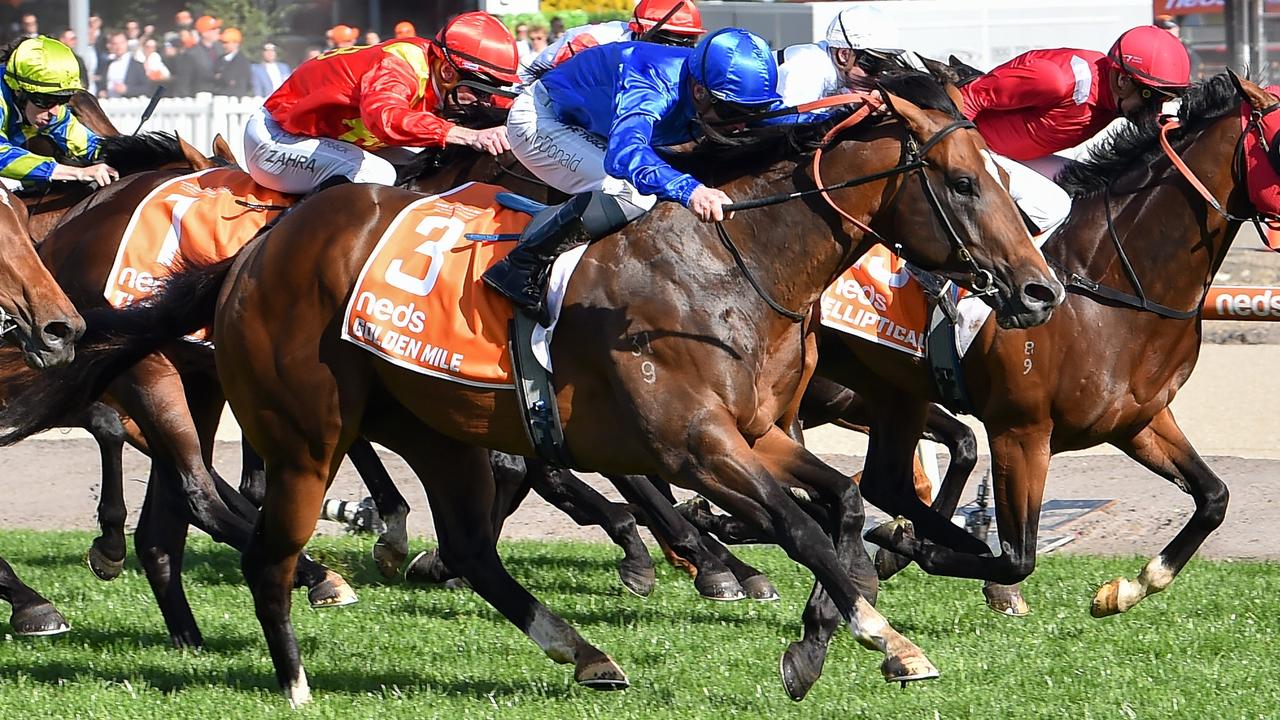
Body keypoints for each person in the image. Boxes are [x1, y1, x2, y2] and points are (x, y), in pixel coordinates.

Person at [484, 28, 781, 311]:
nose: (742, 124)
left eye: (755, 111)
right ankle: (520, 265)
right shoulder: (653, 82)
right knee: (632, 194)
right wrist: (692, 191)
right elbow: (625, 154)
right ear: (700, 91)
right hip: (541, 121)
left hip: (594, 126)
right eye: (733, 113)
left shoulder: (711, 91)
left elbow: (777, 123)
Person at [243, 11, 519, 195]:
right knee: (376, 174)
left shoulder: (448, 75)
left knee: (420, 175)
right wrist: (469, 135)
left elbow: (508, 106)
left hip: (336, 142)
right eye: (480, 91)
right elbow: (385, 118)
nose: (484, 100)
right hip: (277, 137)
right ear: (447, 72)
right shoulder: (400, 65)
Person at [959, 24, 1191, 237]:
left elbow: (1150, 120)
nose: (1156, 110)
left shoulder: (1115, 93)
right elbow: (968, 97)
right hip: (974, 148)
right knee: (1051, 207)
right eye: (1154, 99)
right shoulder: (1054, 80)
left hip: (1012, 155)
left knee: (1094, 188)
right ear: (1122, 80)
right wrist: (961, 161)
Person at [0, 37, 117, 186]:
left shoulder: (52, 109)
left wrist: (128, 154)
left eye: (62, 101)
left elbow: (88, 145)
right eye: (46, 101)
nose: (55, 112)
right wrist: (78, 173)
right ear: (18, 91)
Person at [519, 0, 705, 83]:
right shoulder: (592, 40)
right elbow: (532, 78)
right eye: (669, 42)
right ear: (641, 32)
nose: (678, 52)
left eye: (688, 44)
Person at [774, 6, 904, 107]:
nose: (878, 75)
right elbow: (793, 128)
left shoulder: (839, 70)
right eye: (874, 64)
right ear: (844, 55)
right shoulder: (808, 70)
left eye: (886, 64)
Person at [172, 15, 222, 96]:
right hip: (199, 98)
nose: (218, 30)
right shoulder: (192, 54)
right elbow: (184, 83)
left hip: (219, 98)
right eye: (214, 29)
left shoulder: (220, 49)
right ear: (204, 33)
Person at [100, 31, 148, 98]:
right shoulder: (107, 64)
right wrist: (102, 92)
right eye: (115, 43)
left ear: (126, 43)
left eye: (121, 43)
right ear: (111, 45)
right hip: (108, 103)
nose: (119, 46)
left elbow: (146, 88)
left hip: (127, 104)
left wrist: (127, 89)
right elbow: (101, 85)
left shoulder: (137, 65)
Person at [213, 27, 253, 96]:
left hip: (234, 99)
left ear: (236, 43)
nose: (223, 45)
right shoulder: (220, 59)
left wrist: (221, 77)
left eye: (226, 43)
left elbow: (240, 84)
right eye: (223, 42)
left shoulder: (243, 62)